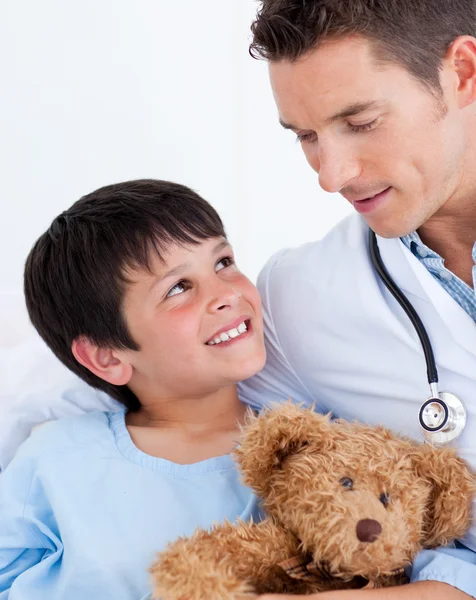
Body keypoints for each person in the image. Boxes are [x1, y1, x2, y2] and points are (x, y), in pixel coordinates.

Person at [238, 1, 476, 599]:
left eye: (362, 121)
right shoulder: (298, 298)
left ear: (464, 72)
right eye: (307, 137)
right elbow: (148, 389)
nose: (331, 174)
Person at [0, 179, 266, 599]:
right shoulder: (55, 458)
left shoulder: (310, 454)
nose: (226, 294)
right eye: (178, 287)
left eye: (223, 262)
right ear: (107, 357)